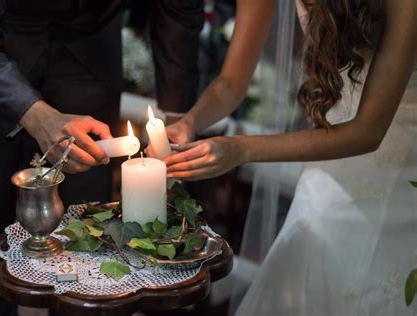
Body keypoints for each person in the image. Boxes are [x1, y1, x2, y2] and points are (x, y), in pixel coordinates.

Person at [0, 1, 203, 315]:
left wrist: (174, 119)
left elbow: (179, 9)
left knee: (88, 236)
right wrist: (39, 118)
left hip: (89, 52)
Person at [163, 0, 417, 314]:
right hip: (327, 160)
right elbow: (230, 84)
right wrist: (191, 122)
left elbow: (368, 131)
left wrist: (240, 149)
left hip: (404, 163)